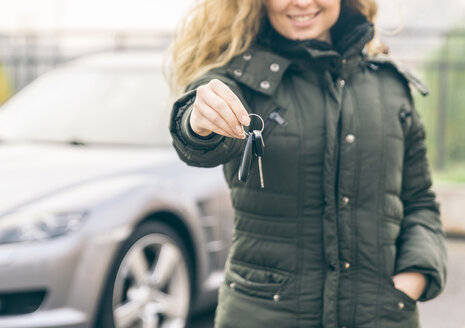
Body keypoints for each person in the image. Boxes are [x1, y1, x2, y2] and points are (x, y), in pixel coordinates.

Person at [167, 0, 447, 327]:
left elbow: (420, 200)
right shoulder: (239, 81)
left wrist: (413, 280)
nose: (301, 2)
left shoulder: (390, 86)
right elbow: (198, 134)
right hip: (260, 316)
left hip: (382, 315)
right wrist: (198, 121)